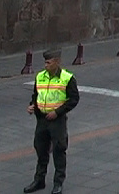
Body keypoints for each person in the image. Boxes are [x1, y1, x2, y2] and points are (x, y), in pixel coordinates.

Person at [24, 49, 79, 194]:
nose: (45, 65)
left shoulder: (67, 78)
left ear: (57, 62)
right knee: (41, 150)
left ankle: (58, 182)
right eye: (45, 62)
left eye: (48, 62)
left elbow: (74, 100)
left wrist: (58, 112)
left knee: (59, 150)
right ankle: (39, 180)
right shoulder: (40, 76)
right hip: (42, 119)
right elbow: (36, 95)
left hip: (57, 121)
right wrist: (32, 106)